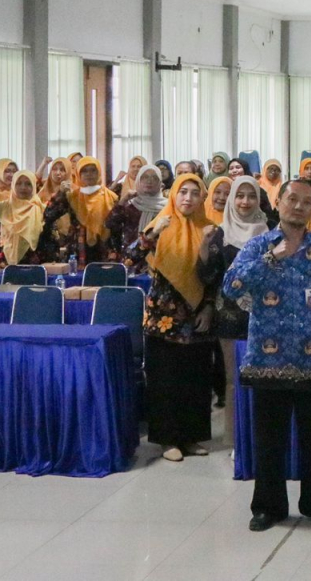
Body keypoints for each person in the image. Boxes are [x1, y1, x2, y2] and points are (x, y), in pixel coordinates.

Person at [223, 179, 311, 531]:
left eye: (306, 202)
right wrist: (270, 259)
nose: (298, 206)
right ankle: (269, 507)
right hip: (268, 362)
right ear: (278, 202)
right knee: (269, 442)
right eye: (292, 199)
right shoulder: (258, 245)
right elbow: (231, 286)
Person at [127, 174, 216, 462]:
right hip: (162, 317)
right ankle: (167, 440)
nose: (188, 198)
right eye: (183, 192)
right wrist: (152, 234)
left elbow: (216, 275)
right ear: (173, 195)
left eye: (194, 193)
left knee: (195, 378)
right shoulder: (160, 224)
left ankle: (191, 437)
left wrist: (208, 307)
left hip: (196, 315)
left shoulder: (210, 229)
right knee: (165, 379)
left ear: (202, 198)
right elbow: (130, 259)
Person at [200, 175, 269, 436]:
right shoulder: (220, 233)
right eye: (240, 196)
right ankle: (234, 437)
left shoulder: (270, 233)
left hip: (264, 315)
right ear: (232, 199)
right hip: (228, 315)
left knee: (263, 377)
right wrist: (204, 246)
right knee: (232, 379)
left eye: (251, 196)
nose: (245, 201)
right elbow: (208, 276)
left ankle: (259, 436)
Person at [39, 156, 119, 265]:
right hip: (77, 251)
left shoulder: (111, 197)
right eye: (84, 171)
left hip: (104, 250)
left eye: (93, 170)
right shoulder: (72, 197)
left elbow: (116, 228)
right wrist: (60, 194)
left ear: (99, 172)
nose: (89, 174)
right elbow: (49, 214)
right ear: (78, 174)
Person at [106, 165, 167, 265]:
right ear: (138, 181)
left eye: (154, 177)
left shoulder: (167, 208)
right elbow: (110, 224)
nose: (149, 181)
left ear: (160, 182)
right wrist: (123, 201)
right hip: (130, 259)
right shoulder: (130, 205)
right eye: (144, 177)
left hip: (158, 260)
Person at [0, 170, 45, 264]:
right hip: (4, 262)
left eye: (28, 184)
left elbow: (49, 239)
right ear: (13, 185)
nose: (23, 187)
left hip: (34, 263)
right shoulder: (3, 208)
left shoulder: (41, 210)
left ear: (34, 186)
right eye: (18, 183)